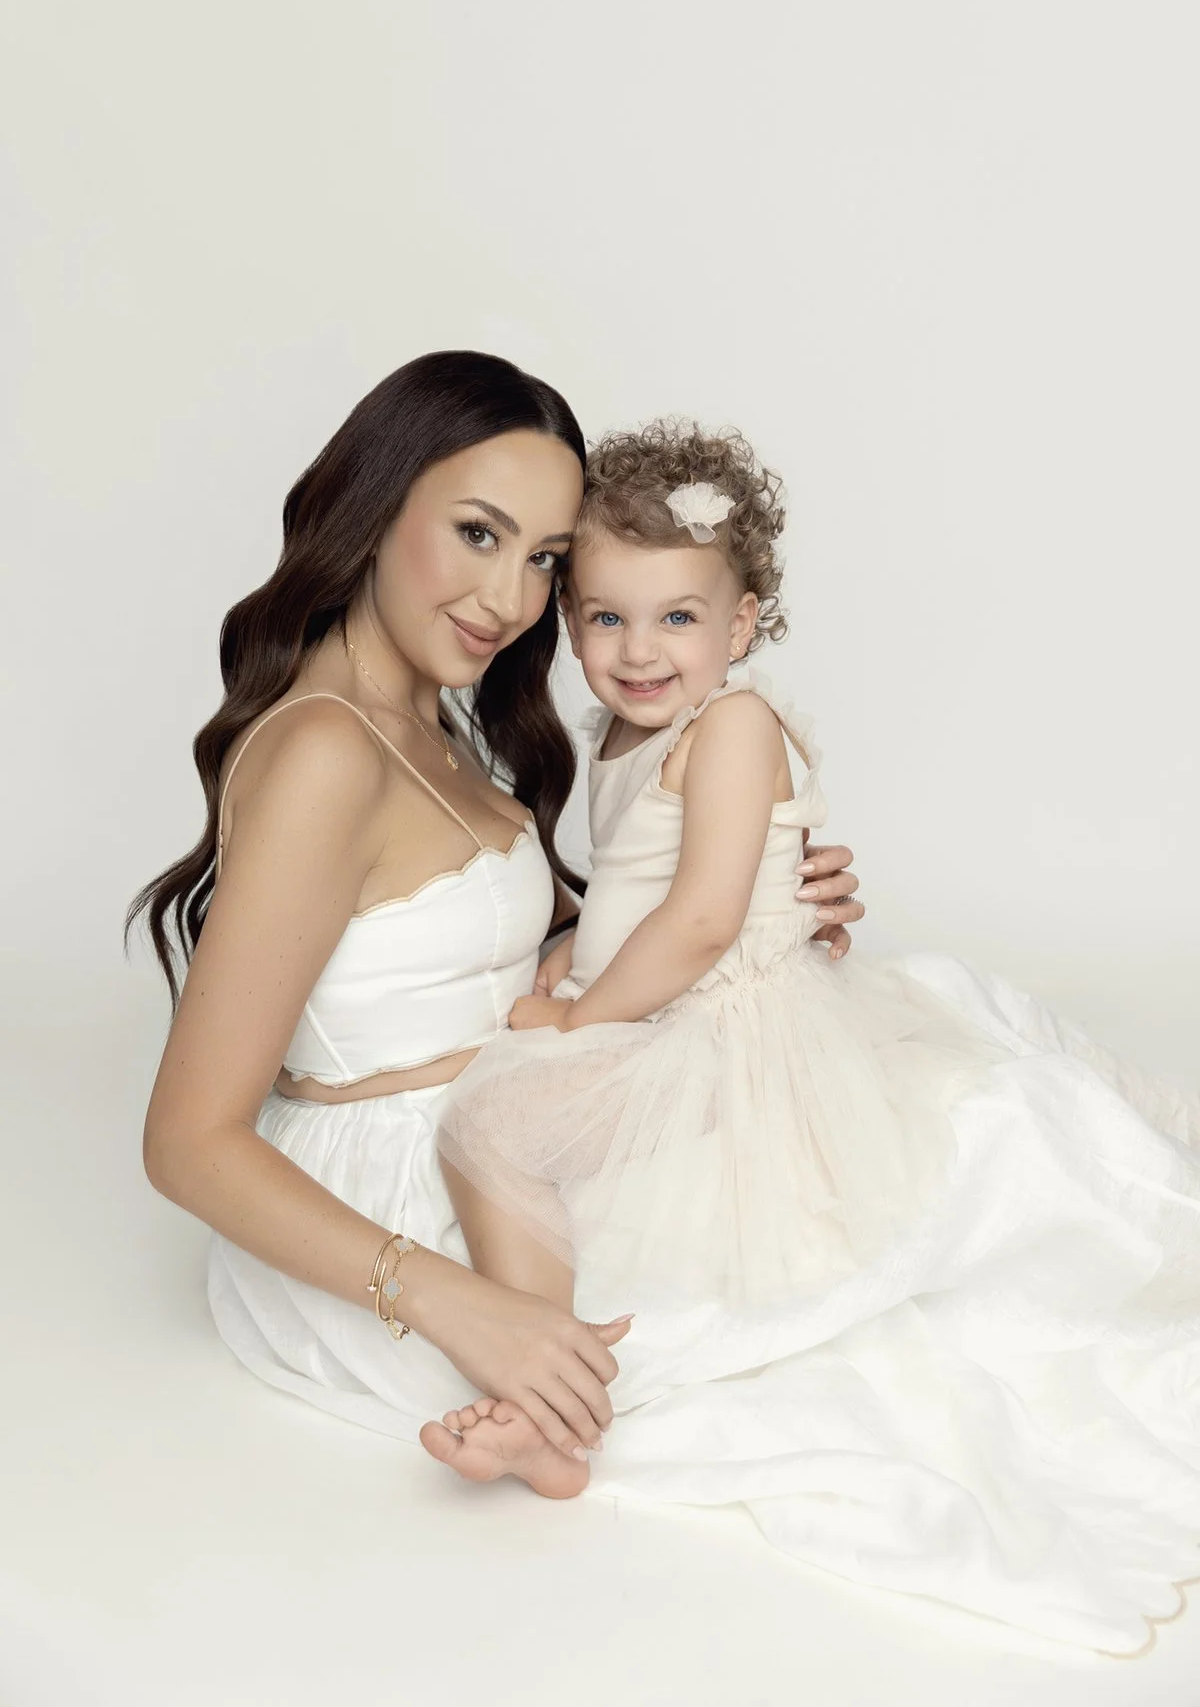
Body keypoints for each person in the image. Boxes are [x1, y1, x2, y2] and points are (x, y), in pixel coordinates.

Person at [422, 420, 1200, 1658]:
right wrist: (571, 954)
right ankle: (546, 1368)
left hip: (732, 1024)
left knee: (495, 1118)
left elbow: (700, 918)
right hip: (673, 1000)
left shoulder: (731, 726)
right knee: (511, 1117)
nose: (639, 650)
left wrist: (577, 1015)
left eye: (680, 619)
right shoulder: (616, 738)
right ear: (568, 623)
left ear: (742, 627)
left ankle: (548, 1402)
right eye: (607, 617)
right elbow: (630, 889)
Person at [130, 351, 862, 1488]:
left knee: (895, 1183)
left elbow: (518, 955)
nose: (510, 601)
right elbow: (185, 1141)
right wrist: (465, 1307)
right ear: (375, 507)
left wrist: (764, 900)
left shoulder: (440, 719)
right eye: (478, 533)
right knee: (858, 1300)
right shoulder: (328, 748)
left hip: (526, 1112)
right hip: (405, 1207)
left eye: (545, 562)